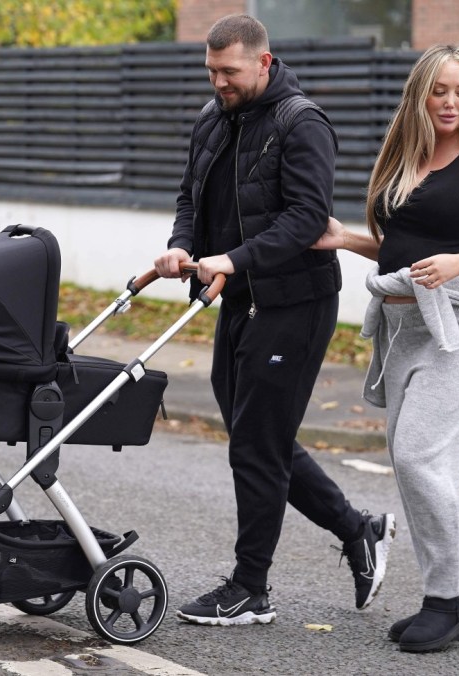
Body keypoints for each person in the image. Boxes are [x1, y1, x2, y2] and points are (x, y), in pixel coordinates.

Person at [154, 14, 396, 627]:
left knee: (256, 443)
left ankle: (250, 589)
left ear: (264, 62)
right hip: (237, 298)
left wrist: (233, 258)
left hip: (294, 303)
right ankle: (357, 528)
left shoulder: (302, 123)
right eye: (211, 71)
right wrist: (183, 248)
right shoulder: (213, 119)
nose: (218, 83)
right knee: (256, 435)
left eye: (229, 72)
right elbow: (191, 198)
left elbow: (307, 219)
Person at [313, 44, 459, 652]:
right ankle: (449, 592)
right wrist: (345, 240)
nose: (451, 102)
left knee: (416, 453)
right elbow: (400, 245)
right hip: (404, 326)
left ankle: (448, 602)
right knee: (433, 463)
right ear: (419, 94)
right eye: (440, 91)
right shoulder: (404, 155)